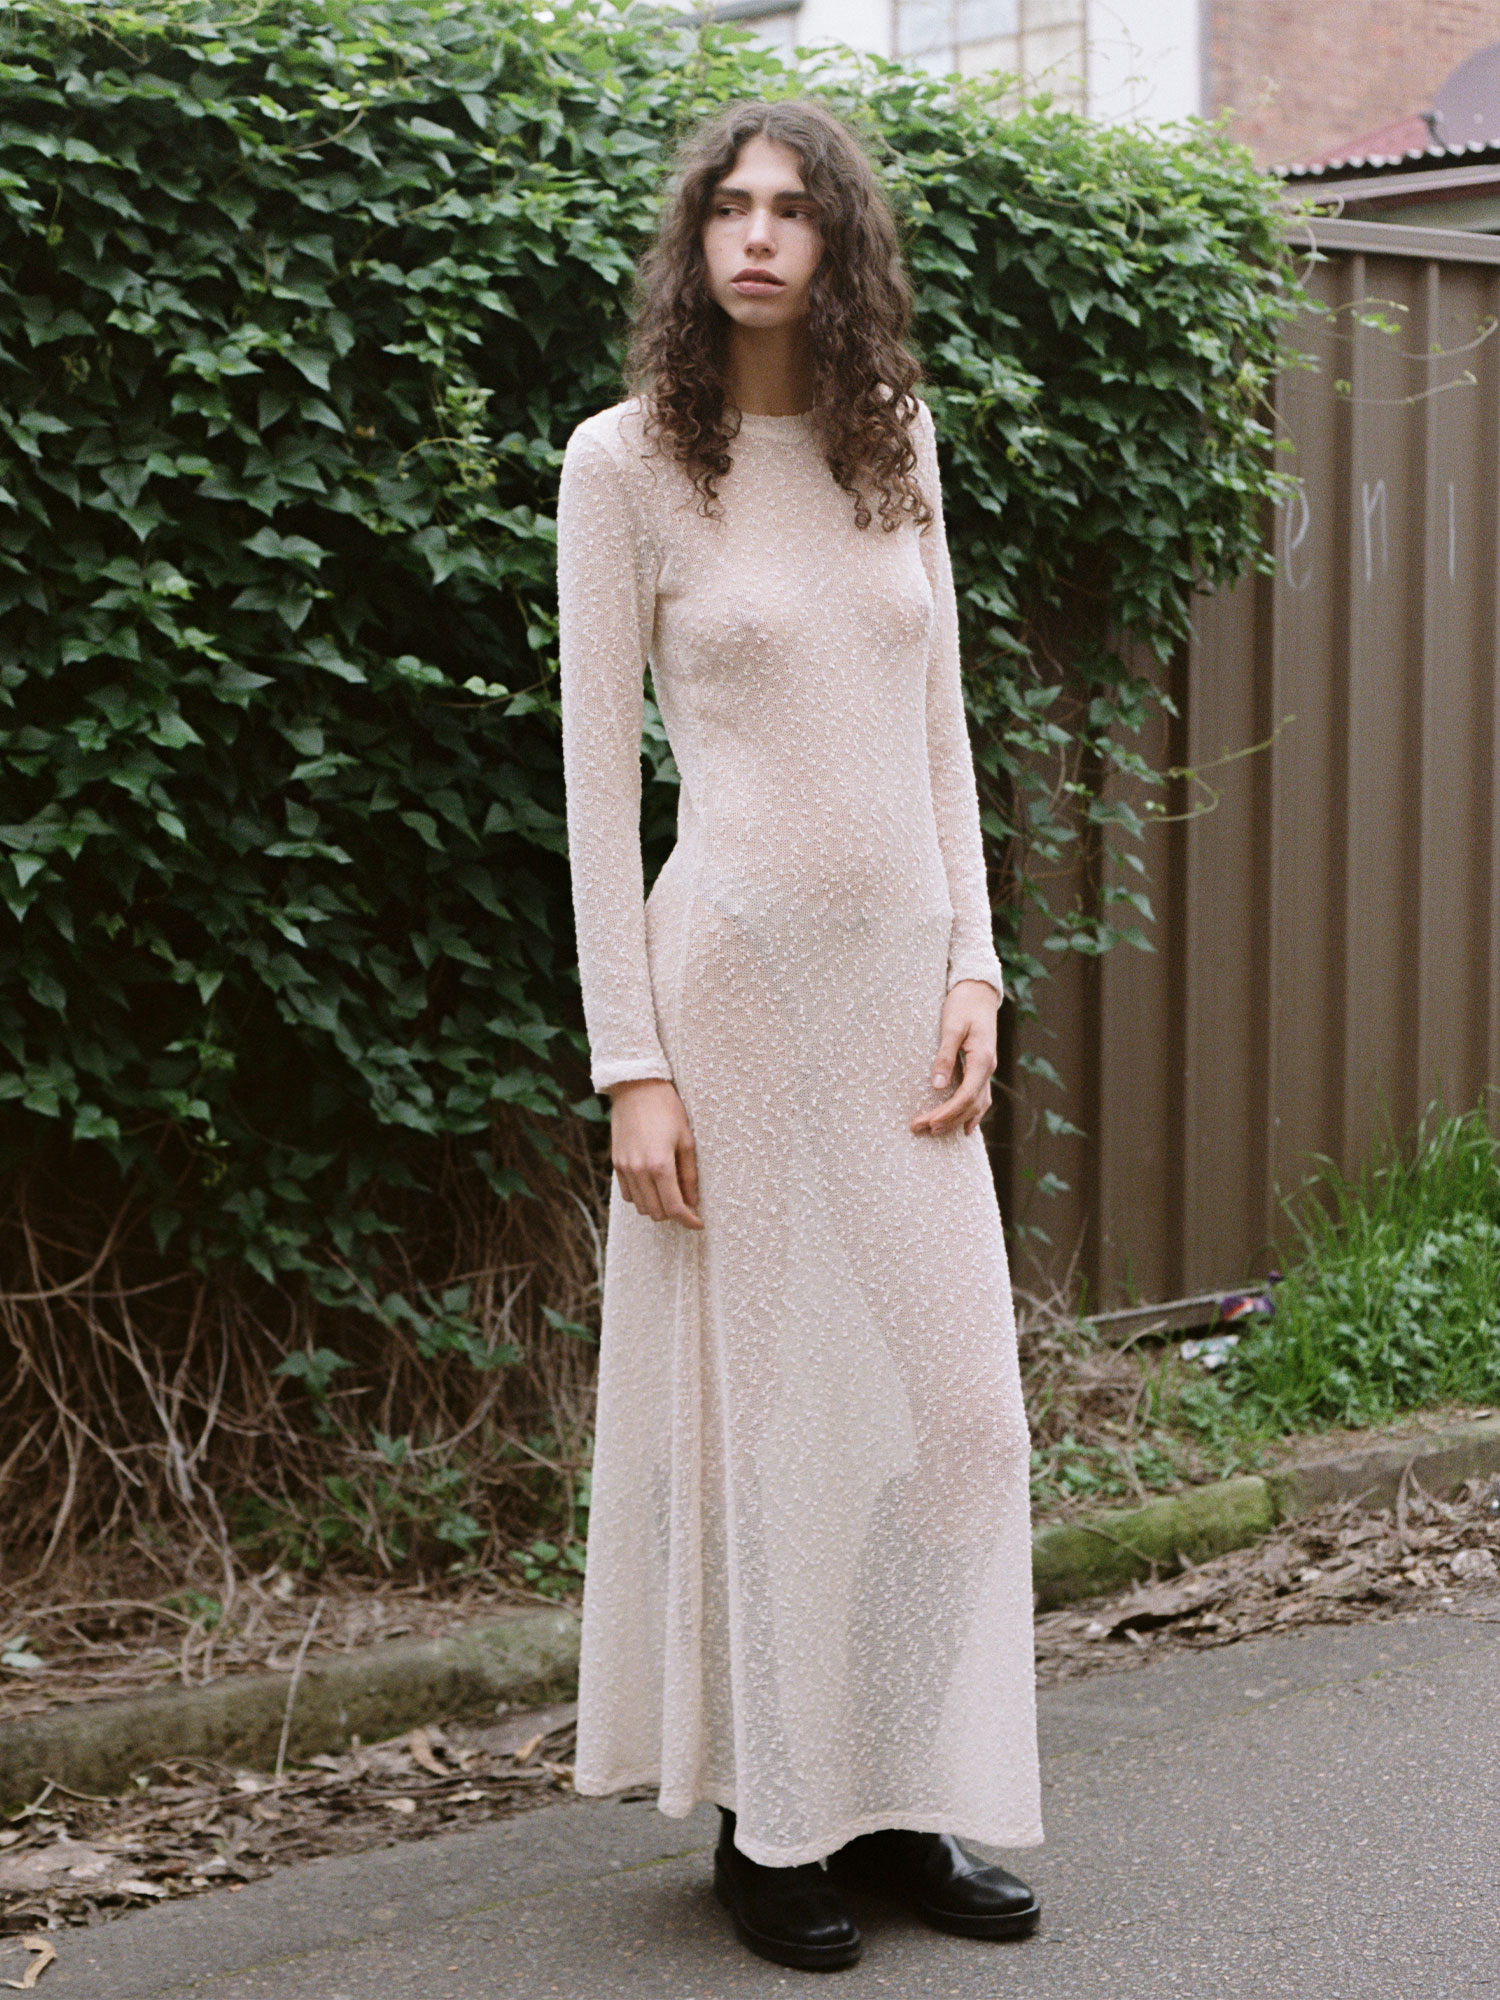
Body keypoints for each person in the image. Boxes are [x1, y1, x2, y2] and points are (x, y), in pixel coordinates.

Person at [555, 96, 1042, 1974]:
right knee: (769, 1431)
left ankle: (896, 1788)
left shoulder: (893, 440)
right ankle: (775, 1823)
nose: (757, 234)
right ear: (697, 243)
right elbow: (598, 790)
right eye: (729, 208)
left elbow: (943, 732)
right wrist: (631, 1062)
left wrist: (976, 963)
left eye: (792, 209)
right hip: (734, 995)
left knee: (961, 1418)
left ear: (838, 243)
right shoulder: (624, 465)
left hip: (903, 994)